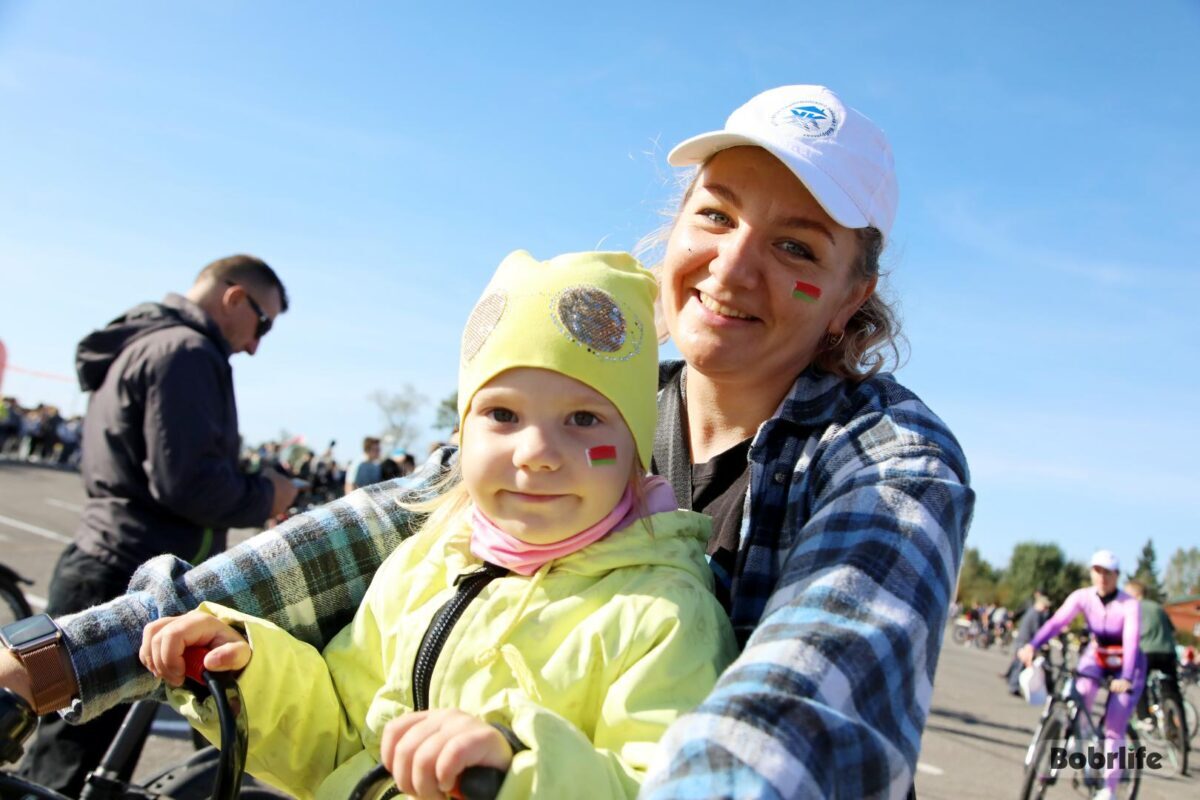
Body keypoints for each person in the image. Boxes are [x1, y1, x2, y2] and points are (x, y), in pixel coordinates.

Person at [0, 85, 974, 799]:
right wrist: (56, 660)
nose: (734, 265)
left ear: (853, 297)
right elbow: (340, 545)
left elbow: (799, 708)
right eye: (713, 215)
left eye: (798, 246)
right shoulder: (591, 402)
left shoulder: (885, 462)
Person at [141, 250, 737, 797]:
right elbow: (344, 735)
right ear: (460, 436)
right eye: (502, 414)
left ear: (634, 453)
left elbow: (658, 785)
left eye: (583, 418)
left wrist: (516, 776)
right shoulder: (424, 564)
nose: (536, 451)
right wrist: (246, 670)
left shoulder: (664, 613)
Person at [14, 254, 300, 796]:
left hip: (109, 556)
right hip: (129, 574)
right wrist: (269, 494)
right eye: (263, 323)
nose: (257, 344)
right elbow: (187, 483)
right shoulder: (186, 352)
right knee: (65, 766)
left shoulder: (152, 343)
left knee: (68, 758)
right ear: (235, 298)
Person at [1019, 550, 1145, 800]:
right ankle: (1081, 738)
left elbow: (1131, 641)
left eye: (1108, 572)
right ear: (1091, 572)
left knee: (1114, 723)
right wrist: (1032, 645)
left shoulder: (1129, 605)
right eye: (1097, 571)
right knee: (1081, 692)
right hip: (1097, 655)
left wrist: (1126, 678)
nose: (1102, 577)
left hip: (1127, 664)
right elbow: (1057, 622)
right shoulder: (1083, 597)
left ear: (1117, 576)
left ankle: (1108, 788)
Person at [1125, 579, 1187, 749]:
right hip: (1168, 652)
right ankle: (1181, 734)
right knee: (1172, 693)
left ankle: (1145, 717)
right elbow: (1172, 630)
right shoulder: (1159, 608)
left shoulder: (1134, 607)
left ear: (1136, 594)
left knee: (1139, 682)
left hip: (1147, 651)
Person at [1004, 592, 1050, 695]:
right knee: (1020, 665)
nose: (1045, 609)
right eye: (1045, 606)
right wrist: (1042, 642)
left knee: (1017, 663)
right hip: (1025, 642)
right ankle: (1014, 686)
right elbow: (1037, 631)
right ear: (1040, 604)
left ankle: (1012, 682)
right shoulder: (1035, 615)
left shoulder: (1031, 612)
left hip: (1021, 640)